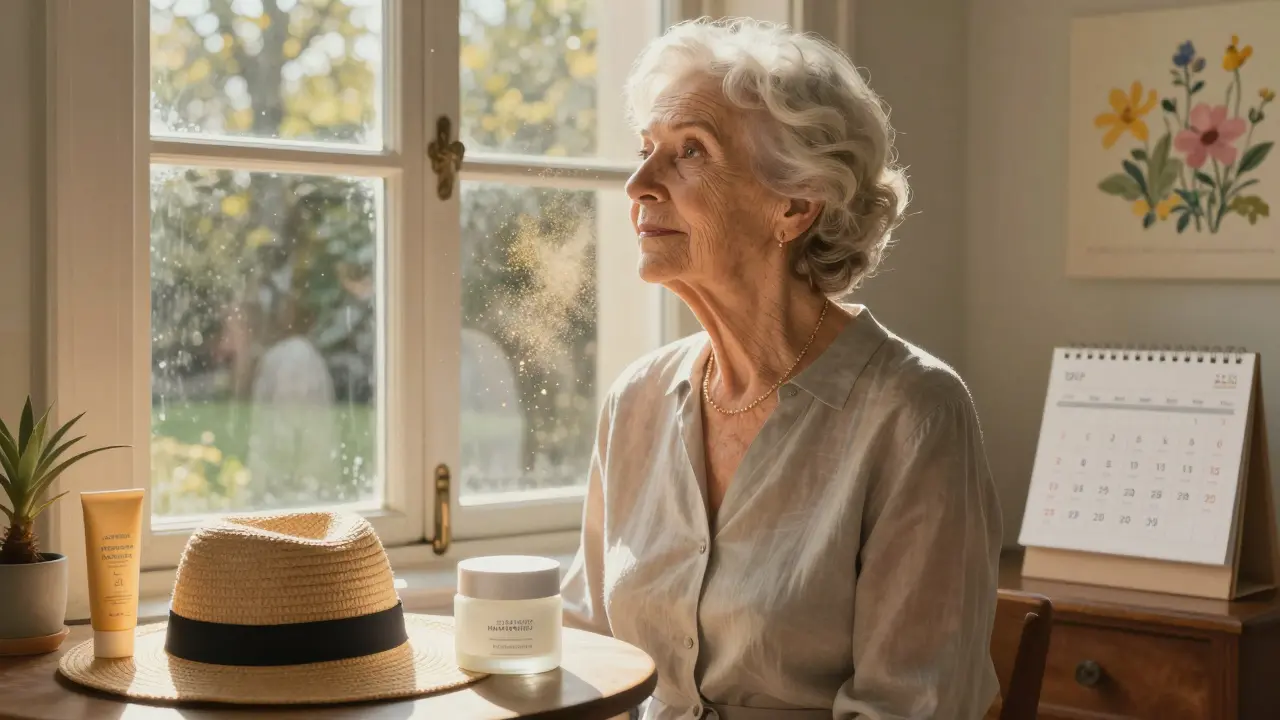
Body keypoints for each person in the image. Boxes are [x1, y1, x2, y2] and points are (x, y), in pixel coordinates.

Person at [560, 17, 1003, 720]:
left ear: (794, 205)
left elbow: (911, 709)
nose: (639, 183)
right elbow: (584, 658)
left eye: (688, 153)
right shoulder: (636, 400)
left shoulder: (913, 414)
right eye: (647, 150)